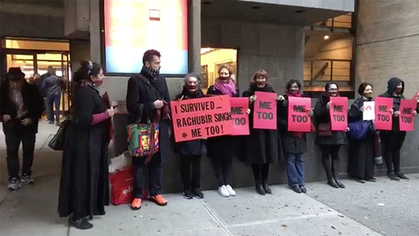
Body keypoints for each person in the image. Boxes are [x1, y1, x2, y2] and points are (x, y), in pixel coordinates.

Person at [58, 61, 114, 230]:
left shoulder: (88, 90)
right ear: (92, 77)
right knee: (82, 177)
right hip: (84, 142)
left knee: (90, 175)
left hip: (91, 140)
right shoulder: (84, 93)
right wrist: (107, 114)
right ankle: (78, 214)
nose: (103, 77)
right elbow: (84, 119)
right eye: (101, 74)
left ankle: (89, 209)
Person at [126, 49, 171, 210]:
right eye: (157, 63)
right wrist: (152, 105)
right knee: (139, 162)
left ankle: (155, 192)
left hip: (159, 126)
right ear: (147, 63)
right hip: (143, 127)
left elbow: (168, 101)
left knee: (157, 162)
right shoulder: (135, 81)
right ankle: (138, 195)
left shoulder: (162, 79)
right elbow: (132, 106)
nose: (159, 66)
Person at [0, 67, 44, 190]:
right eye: (12, 81)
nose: (14, 84)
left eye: (17, 81)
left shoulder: (31, 90)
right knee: (12, 150)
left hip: (27, 124)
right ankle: (13, 176)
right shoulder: (3, 91)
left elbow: (40, 106)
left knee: (28, 149)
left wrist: (32, 118)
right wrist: (3, 116)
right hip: (11, 125)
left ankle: (26, 173)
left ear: (22, 80)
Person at [242, 70, 281, 195]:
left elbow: (277, 111)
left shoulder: (271, 93)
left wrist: (280, 101)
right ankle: (257, 182)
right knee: (256, 157)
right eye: (258, 78)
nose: (260, 80)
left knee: (267, 157)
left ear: (266, 79)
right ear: (255, 79)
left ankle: (265, 182)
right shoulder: (247, 93)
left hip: (268, 130)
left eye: (263, 78)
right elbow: (242, 110)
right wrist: (249, 102)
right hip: (255, 131)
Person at [206, 65, 239, 197]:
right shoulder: (212, 88)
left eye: (226, 73)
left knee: (228, 158)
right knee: (217, 158)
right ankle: (220, 184)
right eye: (222, 73)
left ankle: (228, 183)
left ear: (230, 74)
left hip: (231, 129)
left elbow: (239, 105)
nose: (224, 75)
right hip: (217, 130)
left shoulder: (235, 89)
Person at [174, 73, 207, 199]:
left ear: (198, 83)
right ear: (185, 83)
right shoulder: (179, 98)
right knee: (185, 165)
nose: (192, 84)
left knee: (197, 165)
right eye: (190, 82)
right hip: (185, 138)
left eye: (194, 82)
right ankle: (187, 188)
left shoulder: (204, 99)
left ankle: (196, 188)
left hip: (199, 137)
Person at [379, 77, 418, 181]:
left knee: (397, 149)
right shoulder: (383, 97)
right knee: (389, 149)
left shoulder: (402, 97)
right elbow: (380, 111)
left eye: (401, 85)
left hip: (401, 127)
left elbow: (406, 109)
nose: (400, 87)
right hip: (389, 128)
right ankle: (390, 171)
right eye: (398, 85)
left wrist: (412, 112)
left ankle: (398, 170)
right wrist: (392, 114)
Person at [277, 79, 312, 193]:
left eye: (296, 87)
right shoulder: (283, 100)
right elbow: (278, 117)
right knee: (291, 159)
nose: (293, 89)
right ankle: (294, 183)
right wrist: (288, 124)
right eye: (291, 87)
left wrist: (310, 114)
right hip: (288, 133)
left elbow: (307, 116)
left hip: (300, 134)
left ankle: (301, 182)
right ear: (288, 88)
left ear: (299, 88)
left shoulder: (304, 100)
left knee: (300, 159)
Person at [313, 82, 348, 189]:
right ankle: (329, 178)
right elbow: (317, 115)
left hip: (337, 132)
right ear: (327, 90)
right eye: (331, 89)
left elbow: (344, 115)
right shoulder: (322, 100)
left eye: (335, 89)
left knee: (336, 156)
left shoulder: (341, 100)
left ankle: (336, 177)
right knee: (326, 155)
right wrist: (326, 109)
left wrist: (346, 126)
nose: (333, 91)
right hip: (326, 133)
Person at [347, 83, 377, 183]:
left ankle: (368, 174)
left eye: (371, 89)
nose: (370, 91)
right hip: (360, 131)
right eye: (367, 89)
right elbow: (351, 116)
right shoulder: (358, 102)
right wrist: (360, 112)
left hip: (370, 130)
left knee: (369, 153)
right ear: (362, 91)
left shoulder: (373, 101)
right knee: (359, 153)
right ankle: (358, 175)